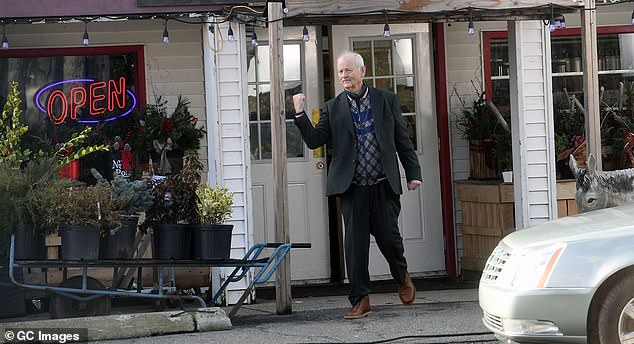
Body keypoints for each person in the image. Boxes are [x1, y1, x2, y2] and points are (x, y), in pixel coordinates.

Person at [292, 51, 422, 320]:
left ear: (362, 71)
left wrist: (413, 172)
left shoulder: (386, 100)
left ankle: (402, 276)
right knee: (355, 244)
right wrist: (300, 113)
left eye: (348, 70)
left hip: (383, 183)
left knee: (389, 238)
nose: (344, 76)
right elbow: (316, 140)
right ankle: (361, 300)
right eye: (340, 72)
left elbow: (402, 139)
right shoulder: (332, 107)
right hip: (352, 187)